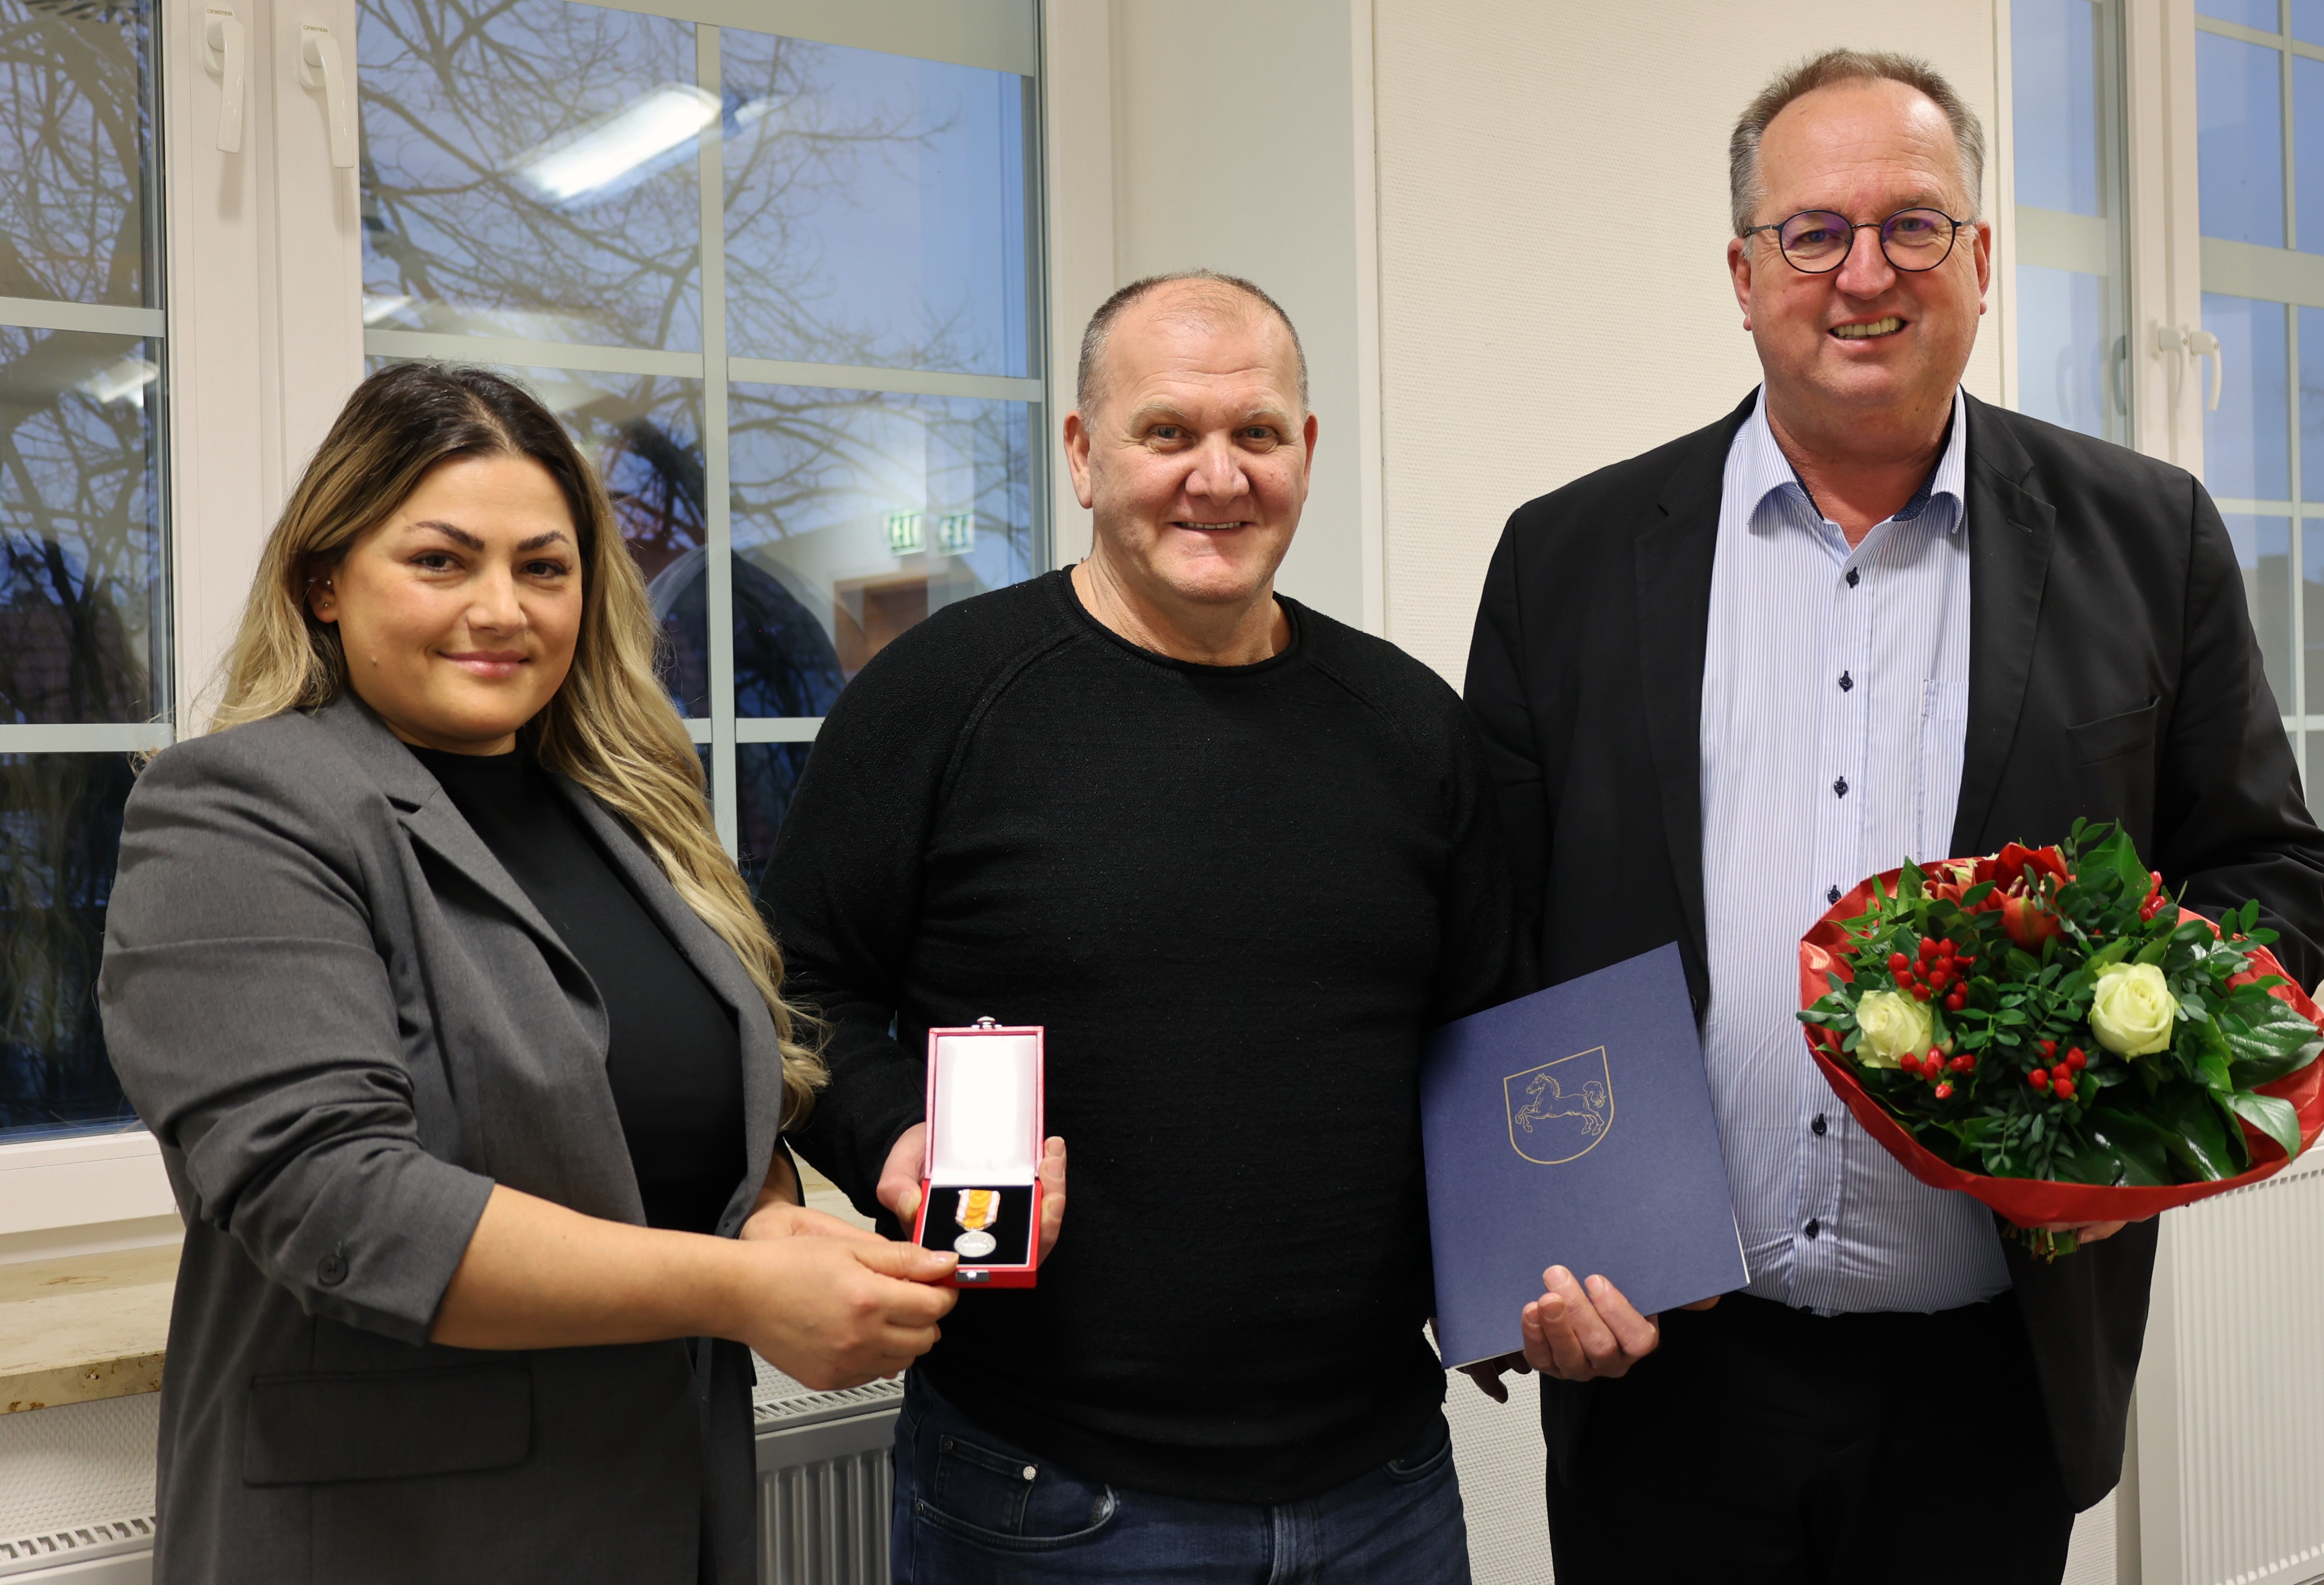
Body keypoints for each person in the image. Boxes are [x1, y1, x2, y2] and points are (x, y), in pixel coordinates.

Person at [1461, 50, 2324, 1585]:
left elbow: (2269, 870)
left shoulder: (2148, 538)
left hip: (1989, 1376)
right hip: (1668, 1367)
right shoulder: (1570, 558)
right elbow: (1492, 934)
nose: (1862, 272)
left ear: (1981, 261)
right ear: (1743, 274)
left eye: (1913, 225)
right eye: (1812, 232)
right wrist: (1517, 1254)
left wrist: (2139, 1072)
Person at [99, 363, 959, 1585]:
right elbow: (338, 1199)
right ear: (324, 581)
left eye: (543, 567)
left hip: (664, 1503)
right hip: (395, 1539)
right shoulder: (238, 807)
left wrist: (783, 1220)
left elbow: (702, 1106)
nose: (501, 607)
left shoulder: (621, 813)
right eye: (442, 560)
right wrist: (745, 1286)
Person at [760, 271, 1518, 1582]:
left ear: (1307, 451)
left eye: (1257, 435)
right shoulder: (940, 701)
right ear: (1083, 455)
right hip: (1048, 1492)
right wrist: (893, 1137)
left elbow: (1489, 1041)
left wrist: (1548, 1257)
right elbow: (798, 986)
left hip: (1385, 1485)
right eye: (1168, 433)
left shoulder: (1412, 728)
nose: (1216, 478)